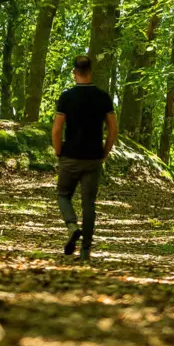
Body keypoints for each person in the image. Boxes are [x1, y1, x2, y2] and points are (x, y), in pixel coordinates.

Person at [51, 54, 118, 261]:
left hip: (70, 156)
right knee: (89, 203)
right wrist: (105, 151)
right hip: (93, 158)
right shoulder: (103, 97)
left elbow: (56, 130)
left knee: (63, 194)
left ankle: (72, 226)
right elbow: (113, 129)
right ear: (90, 72)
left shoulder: (67, 97)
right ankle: (86, 250)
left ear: (74, 73)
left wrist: (58, 151)